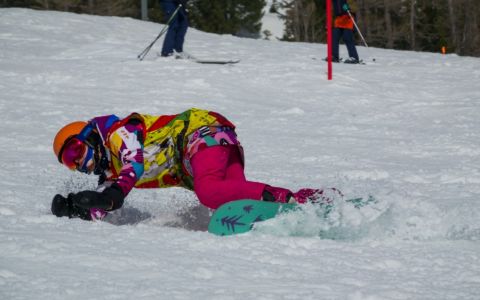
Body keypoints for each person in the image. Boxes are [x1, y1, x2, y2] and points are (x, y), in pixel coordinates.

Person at [51, 108, 342, 221]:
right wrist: (78, 207)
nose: (79, 163)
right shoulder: (112, 172)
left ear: (90, 136)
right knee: (230, 199)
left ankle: (292, 201)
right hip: (209, 151)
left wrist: (113, 195)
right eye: (70, 163)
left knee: (209, 192)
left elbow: (133, 165)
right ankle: (314, 199)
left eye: (76, 150)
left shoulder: (117, 133)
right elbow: (107, 202)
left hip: (201, 137)